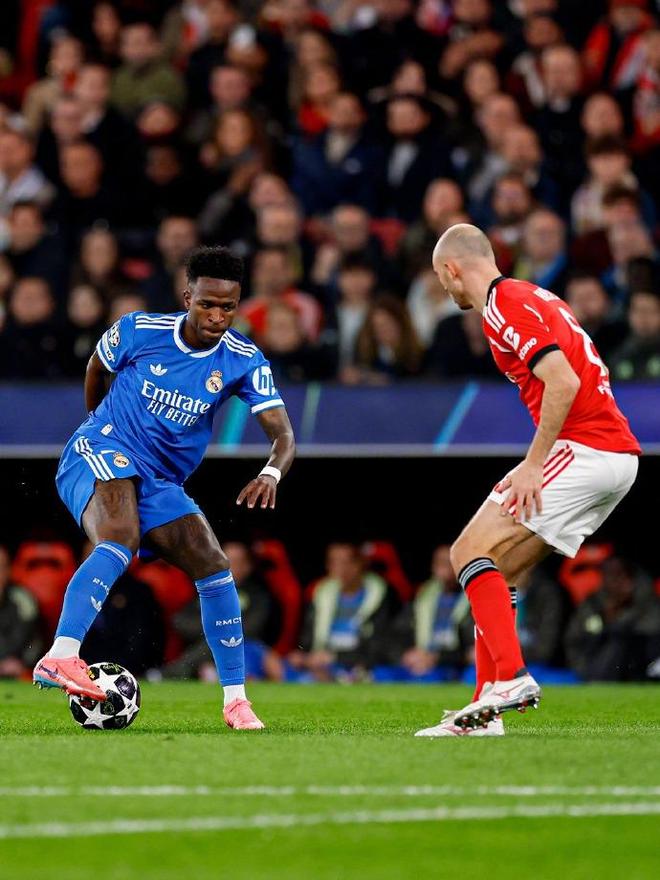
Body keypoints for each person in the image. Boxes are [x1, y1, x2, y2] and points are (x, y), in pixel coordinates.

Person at [32, 246, 296, 731]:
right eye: (207, 304)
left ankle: (236, 702)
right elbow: (97, 369)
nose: (217, 316)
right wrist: (98, 425)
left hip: (159, 480)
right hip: (103, 446)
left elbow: (283, 435)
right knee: (121, 534)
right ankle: (61, 654)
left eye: (228, 307)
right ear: (187, 297)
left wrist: (270, 473)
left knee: (212, 562)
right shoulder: (139, 329)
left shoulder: (243, 359)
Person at [416, 223, 640, 737]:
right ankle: (484, 710)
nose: (444, 289)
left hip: (586, 447)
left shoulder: (503, 305)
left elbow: (563, 381)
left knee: (465, 551)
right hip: (610, 455)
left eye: (440, 277)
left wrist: (534, 463)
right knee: (501, 568)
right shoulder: (531, 295)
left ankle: (512, 678)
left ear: (451, 269)